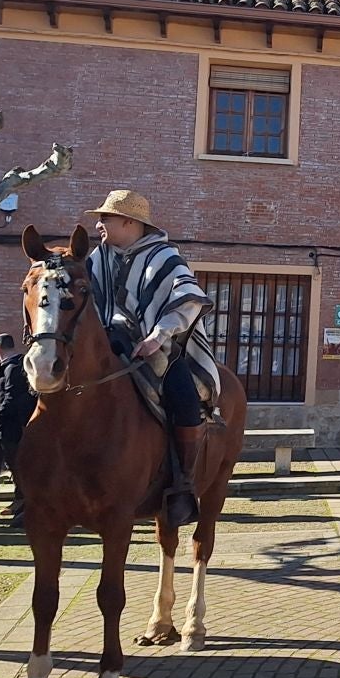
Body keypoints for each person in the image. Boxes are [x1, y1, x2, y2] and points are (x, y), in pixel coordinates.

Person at [87, 189, 219, 528]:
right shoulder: (97, 258)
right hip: (106, 343)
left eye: (106, 218)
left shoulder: (165, 256)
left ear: (128, 221)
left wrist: (156, 336)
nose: (99, 224)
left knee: (185, 399)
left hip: (160, 347)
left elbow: (186, 300)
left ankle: (183, 485)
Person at [0, 331, 37, 524]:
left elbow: (9, 398)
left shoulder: (12, 368)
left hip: (7, 427)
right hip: (5, 426)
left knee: (9, 464)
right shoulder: (14, 366)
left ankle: (18, 500)